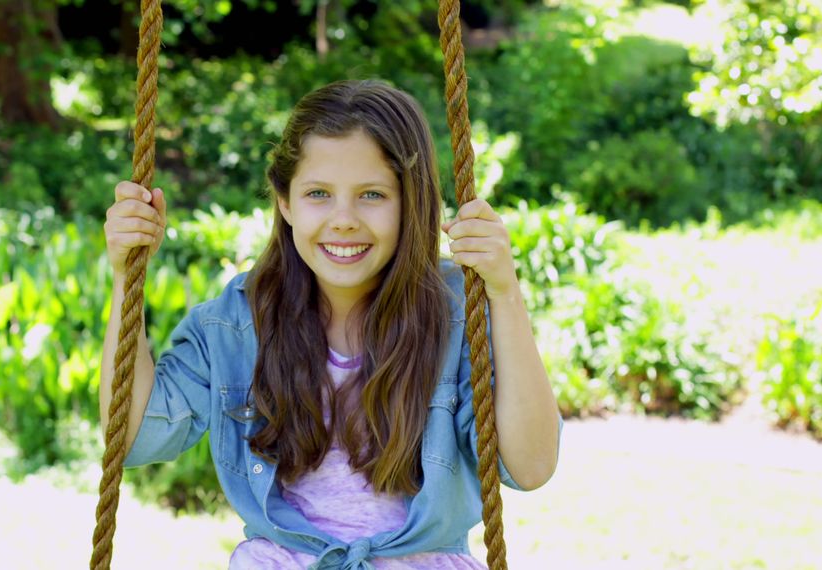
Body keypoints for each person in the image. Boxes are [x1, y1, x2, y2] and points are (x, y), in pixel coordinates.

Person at [100, 79, 562, 569]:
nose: (343, 220)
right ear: (285, 201)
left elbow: (529, 467)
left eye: (372, 195)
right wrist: (125, 278)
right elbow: (132, 438)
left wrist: (504, 294)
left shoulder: (456, 314)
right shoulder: (238, 321)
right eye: (319, 193)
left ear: (412, 202)